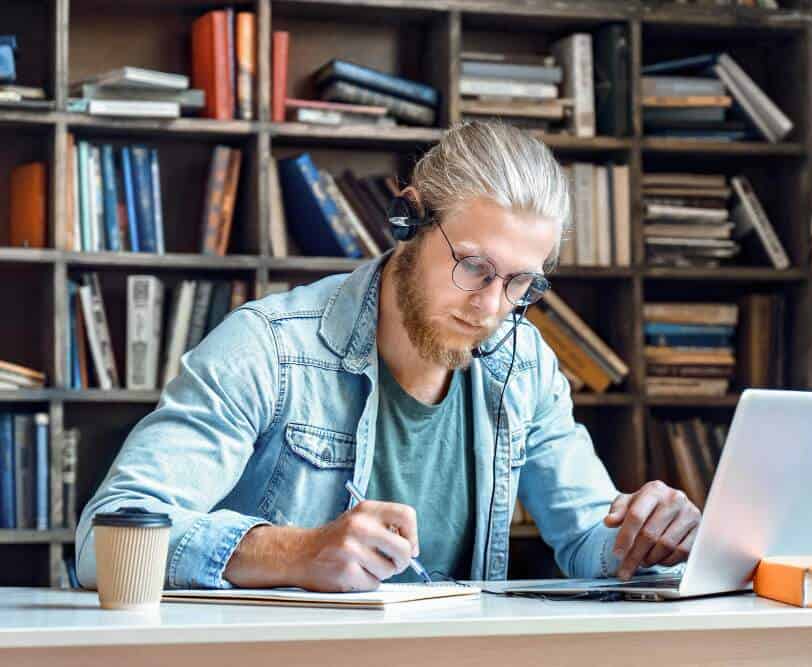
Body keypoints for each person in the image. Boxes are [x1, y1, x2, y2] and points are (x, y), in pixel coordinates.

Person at [76, 121, 701, 592]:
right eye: (475, 268)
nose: (491, 307)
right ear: (408, 219)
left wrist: (648, 539)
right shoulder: (267, 346)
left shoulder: (524, 363)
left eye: (519, 284)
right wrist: (296, 552)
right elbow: (103, 543)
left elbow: (589, 538)